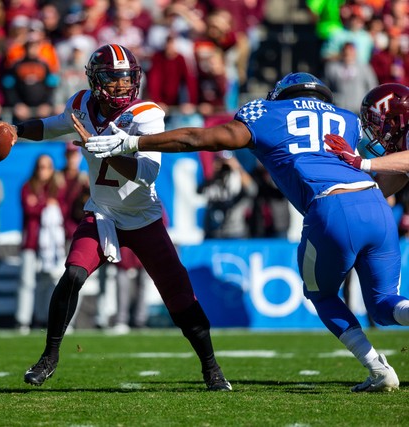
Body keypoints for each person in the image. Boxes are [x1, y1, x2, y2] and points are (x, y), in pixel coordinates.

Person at [79, 72, 409, 392]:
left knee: (321, 295)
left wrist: (133, 142)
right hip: (377, 205)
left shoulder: (267, 113)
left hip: (330, 206)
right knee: (384, 305)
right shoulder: (346, 119)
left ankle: (379, 369)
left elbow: (199, 138)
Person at [0, 44, 231, 391]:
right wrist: (16, 129)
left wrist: (107, 149)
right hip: (102, 215)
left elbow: (146, 173)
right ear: (96, 80)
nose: (120, 86)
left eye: (126, 78)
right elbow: (53, 126)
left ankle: (211, 368)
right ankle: (49, 357)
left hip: (143, 219)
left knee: (179, 295)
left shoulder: (146, 114)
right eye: (113, 79)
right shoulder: (83, 104)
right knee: (72, 274)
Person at [15, 154, 67, 334]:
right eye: (40, 166)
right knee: (27, 282)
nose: (43, 170)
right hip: (31, 241)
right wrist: (45, 204)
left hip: (51, 245)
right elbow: (29, 208)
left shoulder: (56, 187)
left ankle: (43, 317)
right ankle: (23, 320)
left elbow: (62, 209)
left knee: (48, 281)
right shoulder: (27, 186)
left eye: (47, 167)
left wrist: (40, 203)